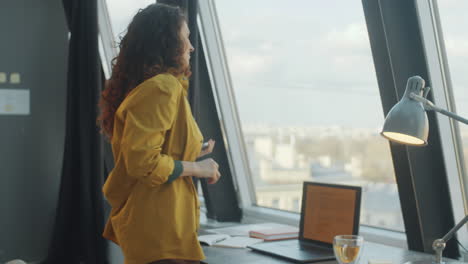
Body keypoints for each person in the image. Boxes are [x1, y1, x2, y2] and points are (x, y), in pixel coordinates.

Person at [97, 4, 221, 264]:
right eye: (185, 38)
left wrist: (192, 150)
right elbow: (143, 162)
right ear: (168, 44)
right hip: (160, 230)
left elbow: (147, 149)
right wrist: (201, 168)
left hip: (156, 230)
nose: (191, 46)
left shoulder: (151, 87)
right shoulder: (163, 87)